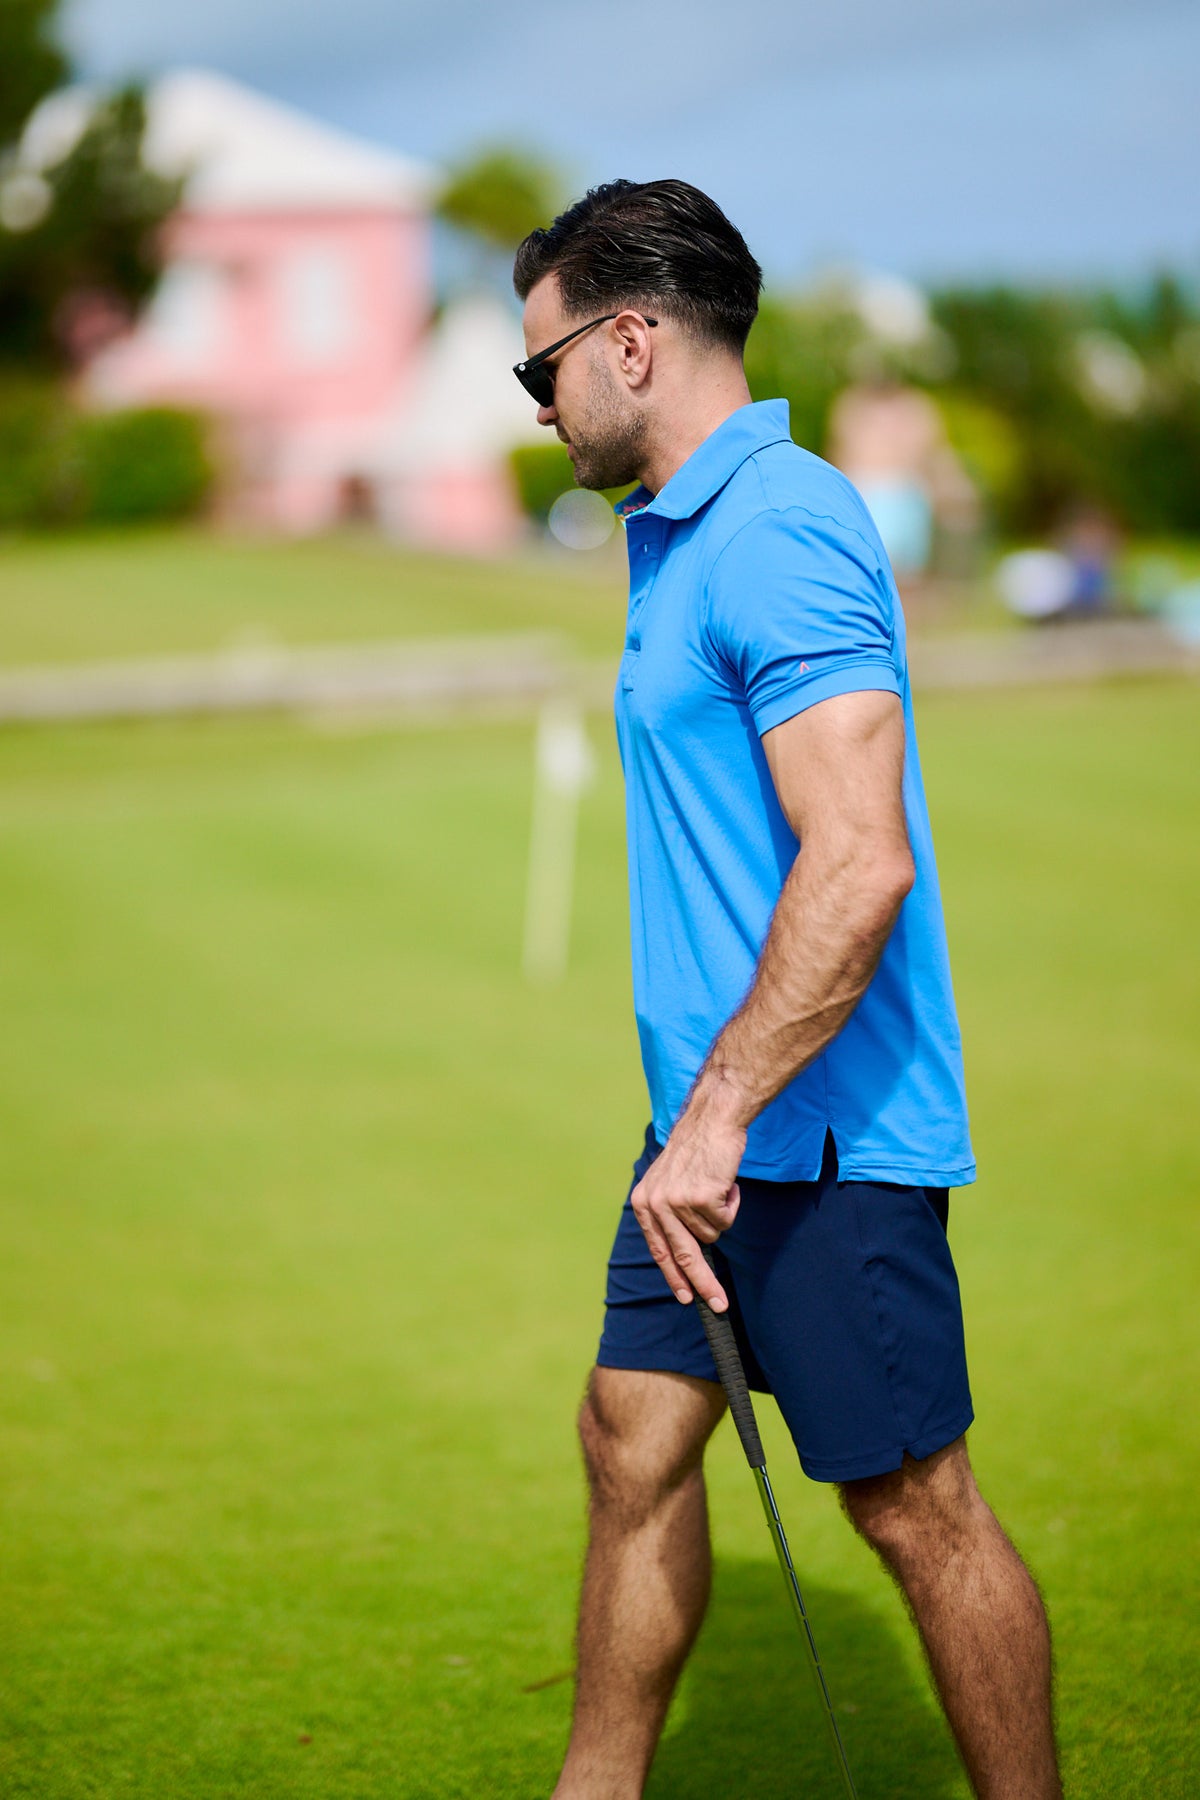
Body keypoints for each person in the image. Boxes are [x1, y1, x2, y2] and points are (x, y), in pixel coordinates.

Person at [512, 179, 1062, 1800]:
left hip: (817, 1137)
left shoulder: (781, 529)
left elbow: (859, 860)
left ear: (630, 341)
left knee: (913, 1507)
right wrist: (698, 1121)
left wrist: (726, 1117)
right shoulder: (674, 533)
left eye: (539, 370)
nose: (537, 405)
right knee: (631, 1439)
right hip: (710, 1123)